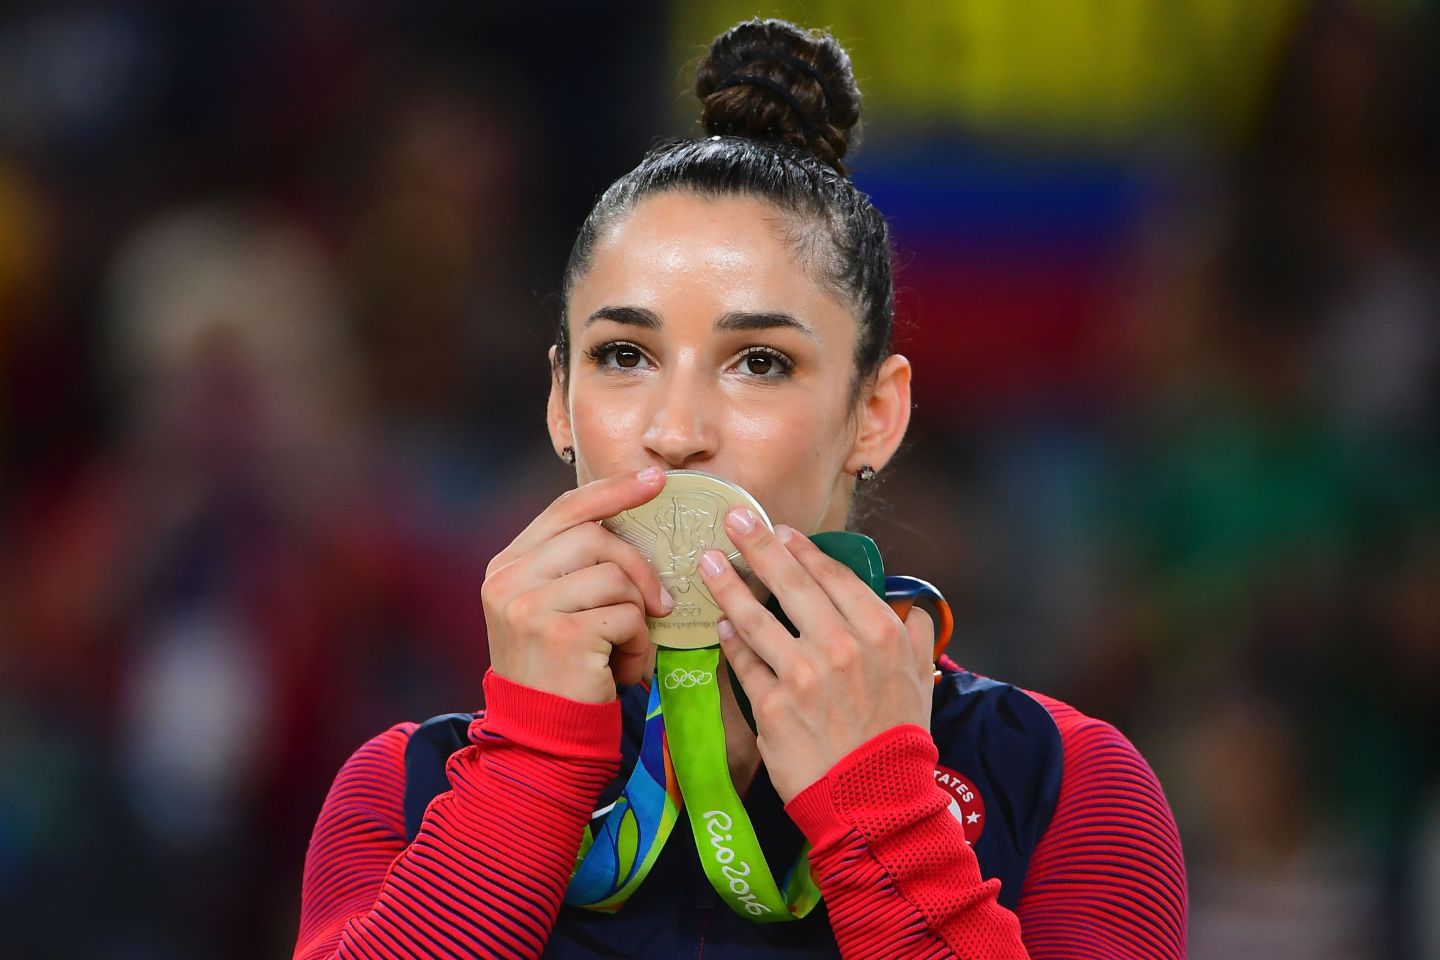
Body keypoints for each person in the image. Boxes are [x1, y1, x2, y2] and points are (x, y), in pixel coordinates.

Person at [293, 18, 1186, 960]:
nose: (676, 430)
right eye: (624, 355)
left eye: (758, 361)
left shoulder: (1058, 782)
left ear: (874, 414)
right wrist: (534, 762)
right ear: (561, 403)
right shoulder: (402, 789)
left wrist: (876, 806)